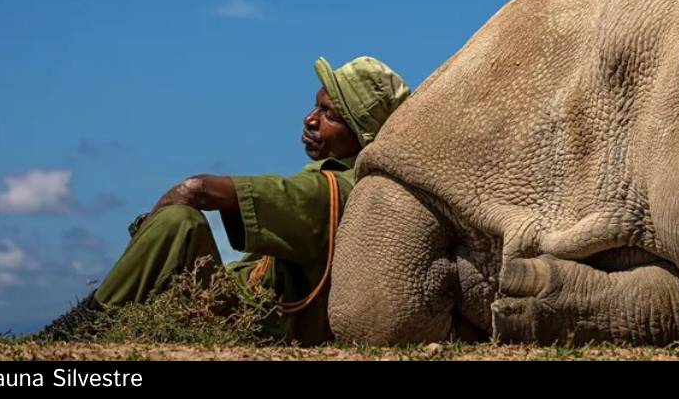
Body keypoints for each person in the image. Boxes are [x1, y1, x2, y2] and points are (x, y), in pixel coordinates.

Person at [39, 56, 410, 344]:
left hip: (250, 322)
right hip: (239, 307)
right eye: (315, 107)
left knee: (179, 222)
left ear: (360, 133)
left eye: (329, 114)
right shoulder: (354, 186)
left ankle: (76, 331)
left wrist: (157, 227)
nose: (310, 120)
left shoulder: (335, 189)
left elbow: (198, 189)